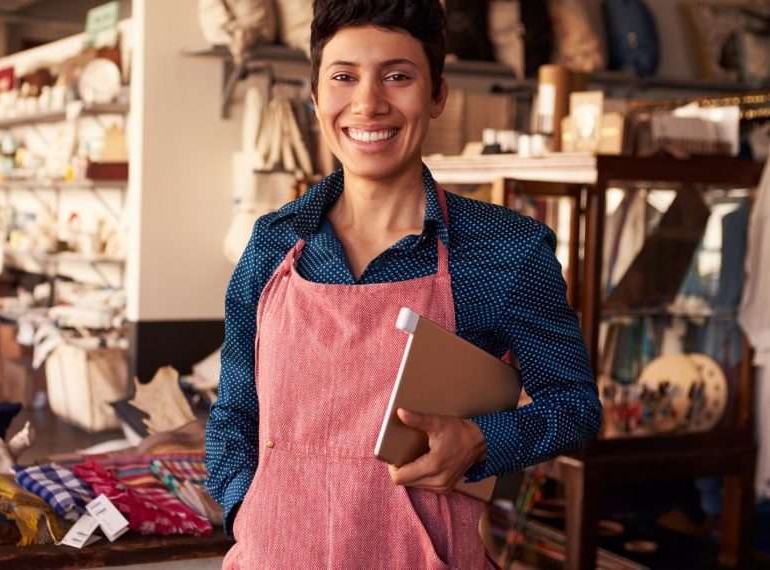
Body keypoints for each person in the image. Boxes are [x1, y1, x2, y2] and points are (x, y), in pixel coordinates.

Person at [204, 1, 601, 568]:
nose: (369, 102)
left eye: (397, 75)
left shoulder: (507, 250)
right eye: (344, 76)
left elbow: (575, 407)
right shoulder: (273, 244)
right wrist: (250, 508)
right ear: (316, 97)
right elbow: (234, 415)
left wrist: (481, 440)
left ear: (437, 94)